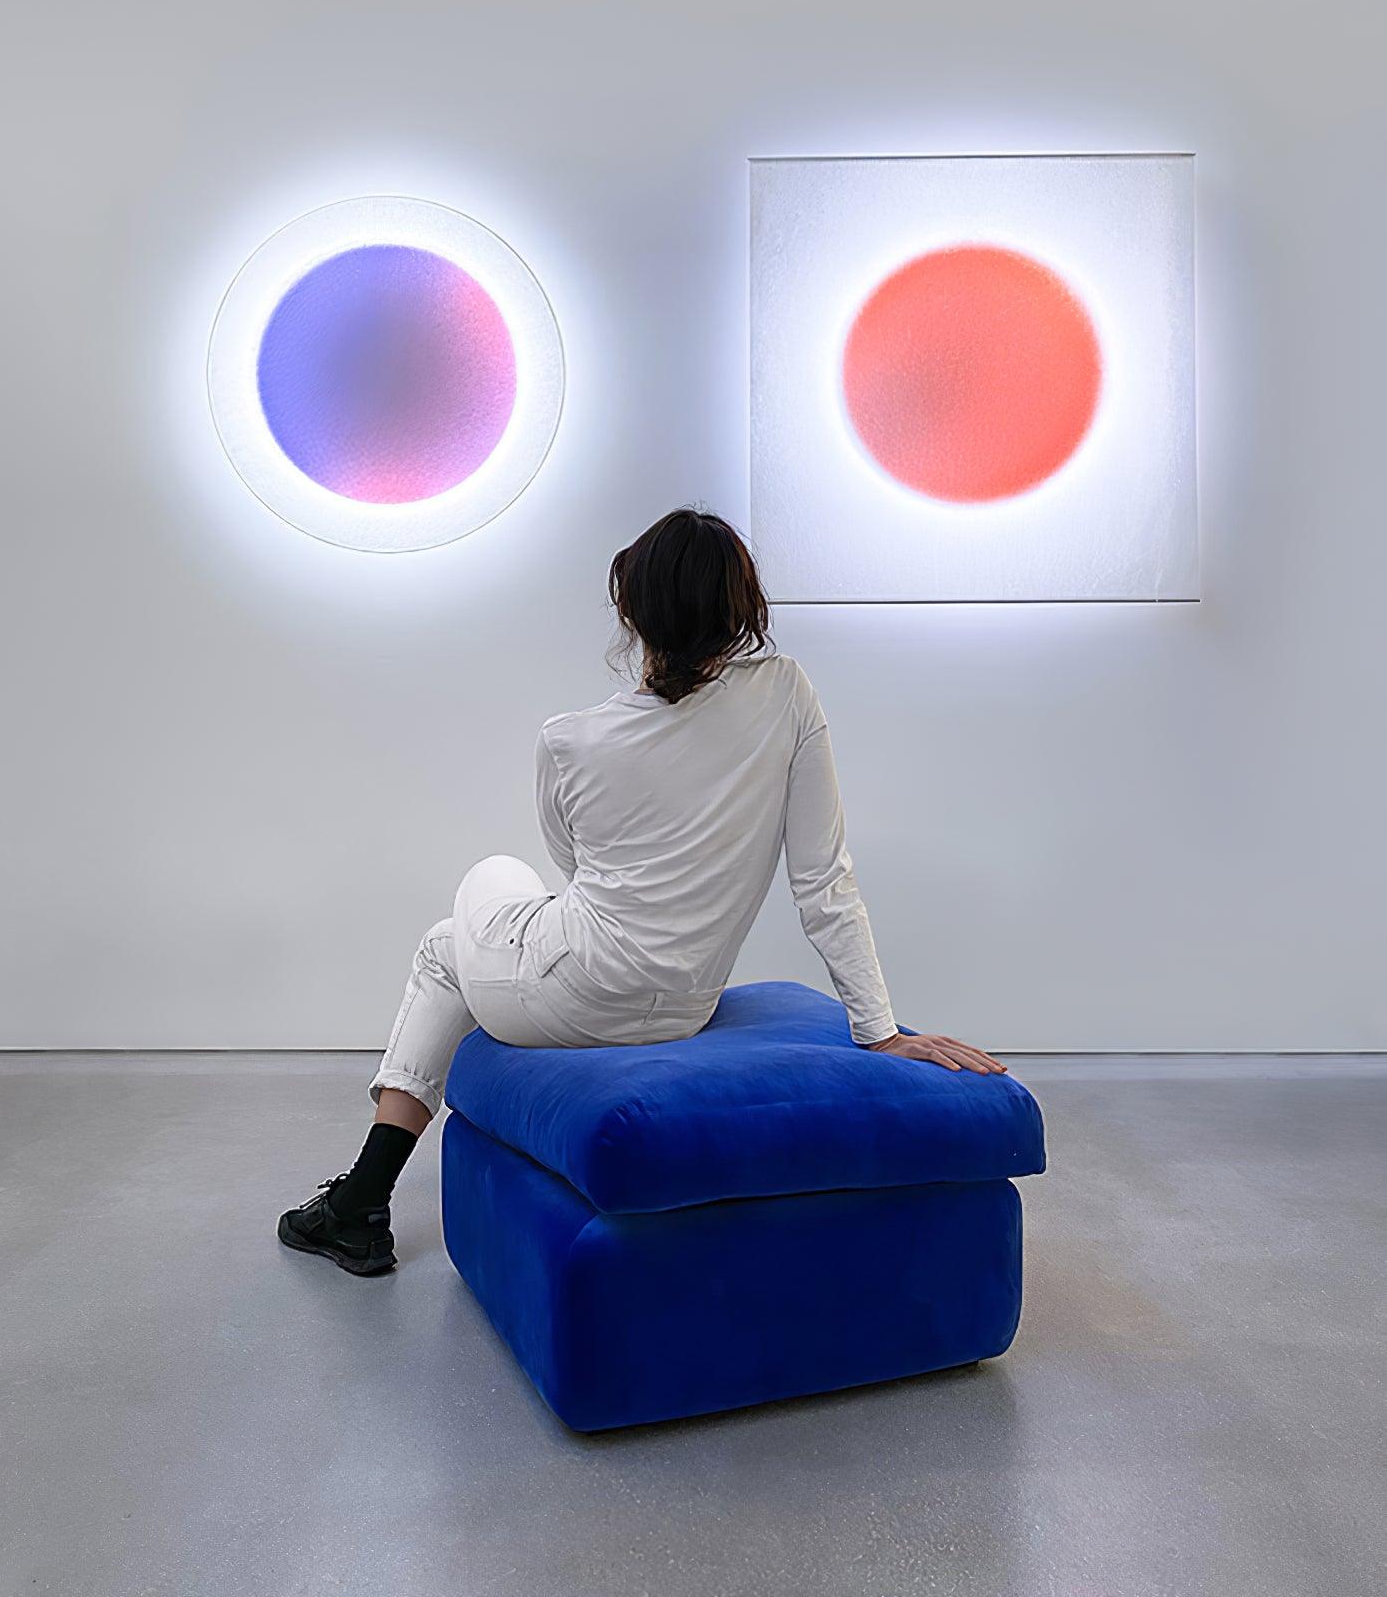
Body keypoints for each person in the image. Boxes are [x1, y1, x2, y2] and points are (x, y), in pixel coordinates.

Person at [278, 508, 1005, 1275]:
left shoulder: (571, 738)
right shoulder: (788, 693)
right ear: (741, 606)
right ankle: (357, 1203)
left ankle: (360, 1202)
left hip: (573, 992)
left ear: (633, 613)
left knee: (458, 925)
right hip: (683, 1006)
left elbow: (575, 863)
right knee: (495, 916)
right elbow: (824, 880)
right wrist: (879, 1030)